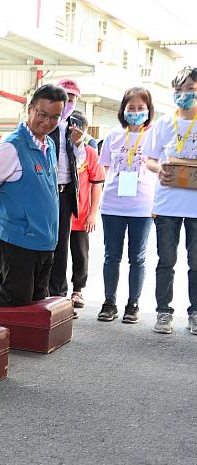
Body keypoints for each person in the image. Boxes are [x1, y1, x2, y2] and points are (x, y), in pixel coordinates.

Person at [0, 84, 68, 315]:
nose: (47, 121)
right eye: (42, 114)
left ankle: (12, 336)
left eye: (55, 117)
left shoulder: (50, 145)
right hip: (17, 237)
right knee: (14, 295)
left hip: (45, 239)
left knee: (34, 299)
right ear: (30, 109)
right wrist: (0, 217)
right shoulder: (12, 146)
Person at [142, 66, 197, 335]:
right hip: (167, 204)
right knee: (166, 260)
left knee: (196, 262)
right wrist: (159, 169)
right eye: (179, 90)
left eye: (190, 89)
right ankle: (164, 312)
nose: (183, 95)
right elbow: (148, 158)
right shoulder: (164, 122)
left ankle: (195, 313)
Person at [97, 87, 156, 323]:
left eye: (141, 108)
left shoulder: (153, 136)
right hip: (112, 204)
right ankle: (109, 302)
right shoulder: (113, 134)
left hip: (142, 206)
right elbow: (106, 167)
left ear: (149, 111)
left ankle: (133, 304)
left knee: (138, 257)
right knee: (111, 255)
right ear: (123, 109)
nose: (135, 112)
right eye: (131, 108)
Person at [48, 79, 87, 299]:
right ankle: (40, 293)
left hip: (64, 193)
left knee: (62, 245)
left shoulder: (75, 125)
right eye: (66, 97)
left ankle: (59, 295)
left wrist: (78, 143)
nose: (69, 102)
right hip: (45, 192)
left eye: (73, 99)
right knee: (44, 243)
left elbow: (80, 162)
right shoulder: (46, 123)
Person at [67, 111, 104, 309]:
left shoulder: (90, 153)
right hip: (59, 215)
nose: (75, 131)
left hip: (81, 215)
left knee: (80, 254)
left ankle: (78, 290)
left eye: (79, 128)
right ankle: (53, 290)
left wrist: (92, 213)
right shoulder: (59, 149)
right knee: (54, 254)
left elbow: (97, 183)